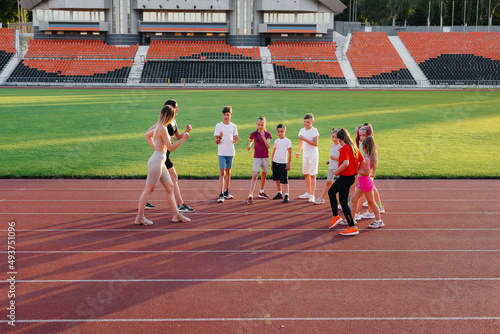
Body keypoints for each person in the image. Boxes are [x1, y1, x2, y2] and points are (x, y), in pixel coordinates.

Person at [135, 105, 191, 225]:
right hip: (156, 162)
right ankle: (139, 217)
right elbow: (171, 147)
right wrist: (183, 139)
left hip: (159, 161)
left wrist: (157, 150)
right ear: (170, 116)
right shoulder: (163, 129)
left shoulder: (160, 127)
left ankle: (177, 215)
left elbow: (147, 135)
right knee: (149, 190)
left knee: (170, 187)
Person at [145, 99, 194, 213]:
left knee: (154, 179)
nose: (177, 109)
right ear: (170, 108)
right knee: (174, 177)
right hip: (164, 154)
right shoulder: (163, 124)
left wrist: (186, 131)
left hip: (165, 154)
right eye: (175, 107)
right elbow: (148, 133)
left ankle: (145, 199)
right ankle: (180, 204)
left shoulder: (173, 121)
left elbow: (178, 136)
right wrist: (157, 149)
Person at [328, 128, 363, 236]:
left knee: (343, 202)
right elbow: (361, 161)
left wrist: (337, 172)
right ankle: (335, 216)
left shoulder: (344, 149)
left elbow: (346, 163)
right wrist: (356, 171)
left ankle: (352, 226)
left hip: (345, 177)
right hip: (349, 177)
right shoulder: (354, 147)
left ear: (339, 139)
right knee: (331, 192)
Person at [351, 136, 384, 229]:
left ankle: (379, 221)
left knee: (371, 202)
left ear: (364, 147)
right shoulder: (368, 157)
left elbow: (366, 172)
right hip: (362, 183)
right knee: (354, 200)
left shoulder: (367, 158)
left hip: (365, 182)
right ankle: (352, 218)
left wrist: (356, 170)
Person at [214, 106, 239, 203]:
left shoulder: (234, 126)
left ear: (231, 115)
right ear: (222, 115)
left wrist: (236, 139)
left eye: (227, 115)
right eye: (224, 114)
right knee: (222, 173)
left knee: (228, 172)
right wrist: (220, 137)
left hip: (230, 152)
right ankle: (221, 194)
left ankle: (226, 191)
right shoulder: (218, 126)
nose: (226, 116)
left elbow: (235, 138)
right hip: (221, 152)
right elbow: (217, 141)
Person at [246, 116, 272, 204]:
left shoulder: (267, 134)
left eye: (262, 125)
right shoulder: (254, 134)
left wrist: (263, 137)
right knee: (255, 175)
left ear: (265, 125)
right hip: (257, 157)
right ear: (256, 125)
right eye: (259, 125)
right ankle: (250, 195)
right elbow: (251, 140)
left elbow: (268, 146)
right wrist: (249, 145)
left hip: (265, 157)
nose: (260, 126)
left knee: (264, 174)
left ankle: (261, 191)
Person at [295, 113, 319, 203]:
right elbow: (301, 142)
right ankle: (308, 192)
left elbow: (315, 143)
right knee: (306, 173)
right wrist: (298, 151)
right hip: (305, 154)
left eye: (308, 122)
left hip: (313, 154)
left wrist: (304, 138)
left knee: (312, 175)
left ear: (312, 122)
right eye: (304, 122)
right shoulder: (302, 130)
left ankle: (312, 194)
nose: (305, 123)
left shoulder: (314, 130)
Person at [315, 128, 341, 205]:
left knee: (340, 186)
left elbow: (343, 159)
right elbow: (333, 157)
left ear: (339, 137)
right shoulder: (331, 146)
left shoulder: (340, 147)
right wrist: (329, 161)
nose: (334, 138)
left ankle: (341, 202)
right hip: (331, 168)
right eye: (332, 137)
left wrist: (334, 159)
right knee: (328, 183)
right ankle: (321, 198)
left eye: (335, 137)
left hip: (338, 168)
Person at [271, 123, 292, 203]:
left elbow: (290, 153)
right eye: (278, 131)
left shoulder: (287, 141)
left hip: (283, 162)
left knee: (284, 180)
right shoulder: (276, 141)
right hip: (275, 161)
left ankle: (287, 195)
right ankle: (279, 193)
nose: (280, 133)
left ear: (285, 132)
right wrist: (272, 162)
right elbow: (274, 152)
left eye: (281, 131)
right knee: (277, 179)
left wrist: (289, 164)